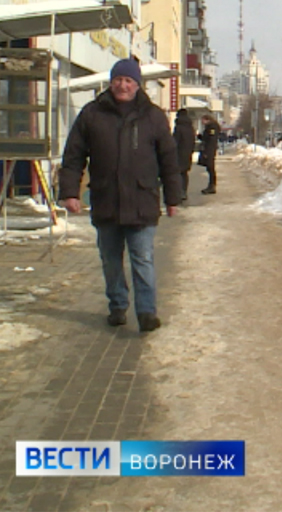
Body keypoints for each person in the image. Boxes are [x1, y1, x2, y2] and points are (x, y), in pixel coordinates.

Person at [59, 59, 182, 333]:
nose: (122, 85)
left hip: (142, 200)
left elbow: (169, 160)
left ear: (137, 85)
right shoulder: (92, 114)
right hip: (106, 200)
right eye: (118, 80)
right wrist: (70, 192)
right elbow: (74, 155)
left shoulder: (153, 116)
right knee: (111, 260)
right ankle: (117, 305)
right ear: (111, 82)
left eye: (128, 81)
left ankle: (147, 312)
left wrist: (173, 198)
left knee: (143, 259)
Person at [172, 109, 195, 203]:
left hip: (178, 153)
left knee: (177, 173)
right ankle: (183, 191)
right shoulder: (190, 127)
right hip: (187, 152)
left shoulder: (179, 127)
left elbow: (175, 141)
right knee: (184, 173)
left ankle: (178, 192)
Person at [198, 113, 221, 194]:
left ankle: (212, 186)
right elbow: (207, 138)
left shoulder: (212, 127)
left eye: (203, 120)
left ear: (207, 119)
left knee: (210, 168)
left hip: (210, 150)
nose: (202, 122)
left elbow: (211, 141)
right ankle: (211, 185)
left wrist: (207, 152)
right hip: (209, 150)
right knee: (209, 168)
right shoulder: (209, 127)